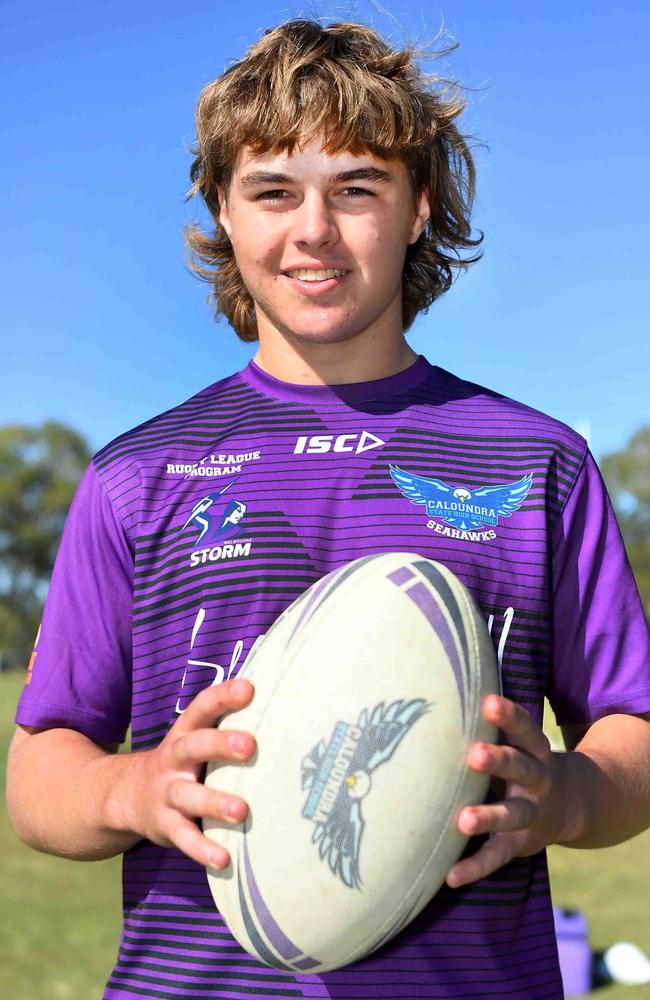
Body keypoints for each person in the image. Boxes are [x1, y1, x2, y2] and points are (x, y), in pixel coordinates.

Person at [7, 19, 650, 1000]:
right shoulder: (139, 474)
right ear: (225, 211)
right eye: (272, 191)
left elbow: (629, 728)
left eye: (357, 188)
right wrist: (130, 787)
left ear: (418, 207)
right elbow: (39, 774)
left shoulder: (533, 459)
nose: (312, 230)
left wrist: (563, 796)